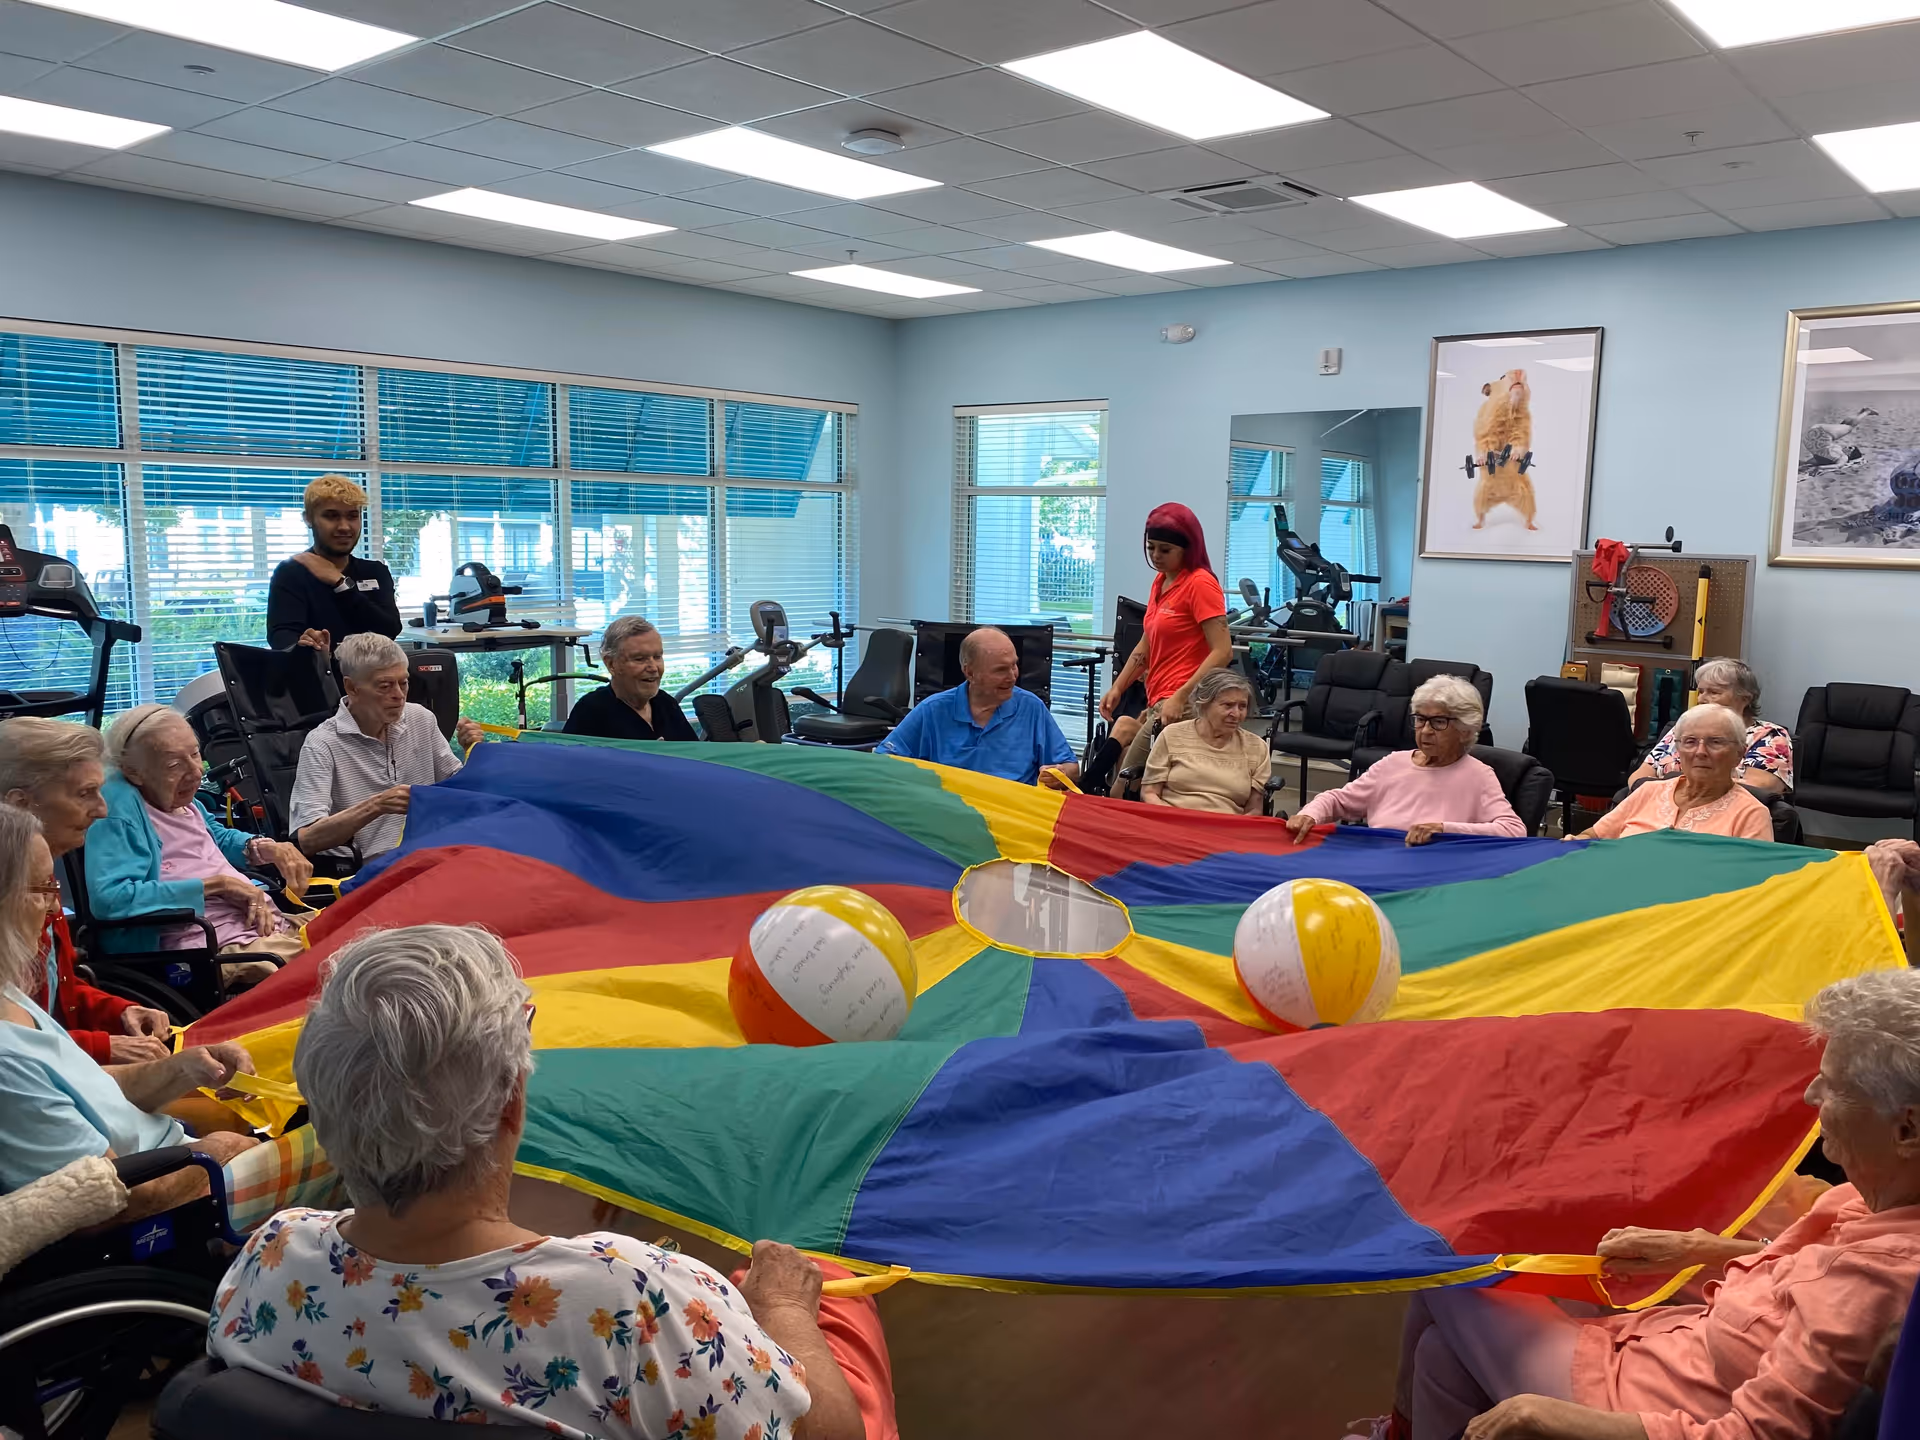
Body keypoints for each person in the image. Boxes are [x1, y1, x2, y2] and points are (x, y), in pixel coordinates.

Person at [210, 923, 893, 1440]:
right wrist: (787, 1314)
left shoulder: (269, 1260)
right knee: (826, 1296)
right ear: (511, 1103)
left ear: (323, 1117)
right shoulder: (635, 1301)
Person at [1364, 965, 1920, 1440]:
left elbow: (1750, 1434)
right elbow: (1805, 1269)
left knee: (1446, 1266)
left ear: (1907, 1129)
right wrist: (1700, 1249)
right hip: (1670, 1346)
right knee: (1442, 1358)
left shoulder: (1875, 1278)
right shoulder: (1886, 1201)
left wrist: (1550, 1417)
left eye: (1833, 1084)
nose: (1810, 1095)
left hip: (1638, 1398)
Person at [0, 804, 259, 1204]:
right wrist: (220, 1151)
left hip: (170, 1153)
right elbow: (100, 1200)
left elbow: (88, 1088)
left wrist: (183, 1069)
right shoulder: (5, 1062)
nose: (56, 908)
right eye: (41, 890)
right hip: (165, 1212)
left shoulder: (9, 995)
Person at [86, 705, 315, 984]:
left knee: (363, 922)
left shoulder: (177, 798)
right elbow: (111, 899)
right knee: (347, 958)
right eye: (174, 764)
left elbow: (214, 837)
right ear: (133, 772)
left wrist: (264, 847)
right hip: (213, 949)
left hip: (264, 930)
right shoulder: (119, 808)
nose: (196, 771)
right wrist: (219, 885)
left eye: (195, 754)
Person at [0, 717, 171, 1063]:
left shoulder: (41, 881)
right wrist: (101, 1046)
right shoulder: (16, 898)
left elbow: (62, 993)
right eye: (84, 794)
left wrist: (121, 1011)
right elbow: (12, 1045)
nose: (102, 809)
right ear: (19, 804)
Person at [290, 633, 484, 862]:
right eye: (385, 686)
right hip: (370, 869)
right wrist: (376, 805)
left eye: (404, 682)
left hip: (432, 854)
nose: (399, 695)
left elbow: (461, 790)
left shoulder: (420, 719)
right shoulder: (322, 743)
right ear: (352, 687)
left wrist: (474, 753)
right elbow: (308, 839)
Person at [1288, 676, 1523, 846]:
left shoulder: (1478, 775)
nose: (1426, 731)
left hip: (1438, 875)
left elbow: (1513, 830)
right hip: (1379, 862)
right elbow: (1337, 800)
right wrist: (1310, 814)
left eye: (1438, 722)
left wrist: (1443, 829)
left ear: (1464, 729)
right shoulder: (1393, 764)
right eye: (1420, 719)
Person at [1095, 504, 1233, 783]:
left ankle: (1091, 800)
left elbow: (1223, 651)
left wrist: (1181, 696)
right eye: (1151, 548)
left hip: (1184, 702)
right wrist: (1118, 688)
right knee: (1123, 738)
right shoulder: (1161, 582)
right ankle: (1086, 792)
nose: (1156, 556)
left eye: (1165, 549)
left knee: (1126, 784)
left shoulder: (1200, 584)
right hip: (1159, 698)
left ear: (1187, 548)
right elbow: (1146, 644)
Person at [876, 626, 1078, 786]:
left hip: (1013, 818)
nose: (1012, 676)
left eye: (1014, 665)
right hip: (952, 816)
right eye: (1000, 670)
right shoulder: (933, 710)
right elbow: (884, 760)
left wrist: (1060, 774)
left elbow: (1071, 768)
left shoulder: (1031, 707)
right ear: (970, 673)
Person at [1577, 705, 1772, 842]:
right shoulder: (1648, 791)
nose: (1700, 751)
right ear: (1678, 750)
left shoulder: (1751, 814)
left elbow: (1755, 882)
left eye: (1715, 742)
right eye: (1690, 742)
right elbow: (1593, 835)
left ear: (1739, 754)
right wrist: (1576, 841)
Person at [266, 474, 401, 659]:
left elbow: (389, 630)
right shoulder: (291, 572)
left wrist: (340, 583)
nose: (344, 526)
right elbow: (281, 638)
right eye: (331, 516)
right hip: (318, 682)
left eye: (352, 516)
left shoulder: (375, 571)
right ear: (308, 519)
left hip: (370, 684)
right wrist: (304, 643)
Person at [1628, 658, 1792, 796]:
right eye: (1701, 691)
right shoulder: (1682, 728)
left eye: (1714, 692)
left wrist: (1677, 787)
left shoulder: (1769, 736)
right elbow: (1638, 778)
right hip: (1659, 809)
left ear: (1745, 699)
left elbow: (1761, 787)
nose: (1702, 699)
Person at [1141, 667, 1270, 814]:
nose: (1236, 714)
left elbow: (1254, 809)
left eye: (1242, 706)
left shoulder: (1256, 747)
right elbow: (1150, 793)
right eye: (1228, 705)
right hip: (1173, 822)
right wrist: (1177, 820)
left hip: (1226, 828)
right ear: (1204, 703)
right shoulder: (1172, 735)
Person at [563, 615, 696, 742]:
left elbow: (697, 757)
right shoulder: (591, 711)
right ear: (611, 664)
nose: (653, 668)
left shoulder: (666, 704)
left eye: (657, 657)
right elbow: (569, 763)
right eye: (639, 659)